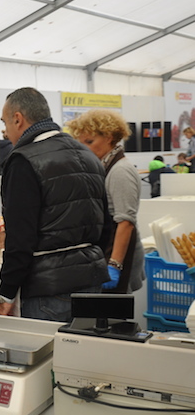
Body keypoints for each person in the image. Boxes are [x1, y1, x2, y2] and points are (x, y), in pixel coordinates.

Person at [0, 87, 109, 322]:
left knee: (48, 347)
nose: (5, 131)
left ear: (17, 119)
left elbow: (20, 238)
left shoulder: (23, 160)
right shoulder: (88, 154)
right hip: (92, 279)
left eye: (5, 123)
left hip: (49, 288)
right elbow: (106, 224)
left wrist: (6, 292)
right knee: (84, 346)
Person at [66, 109, 145, 294]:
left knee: (115, 309)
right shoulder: (104, 165)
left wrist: (114, 265)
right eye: (81, 143)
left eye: (90, 142)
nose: (85, 148)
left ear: (109, 137)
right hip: (108, 248)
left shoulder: (120, 171)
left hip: (120, 254)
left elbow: (125, 222)